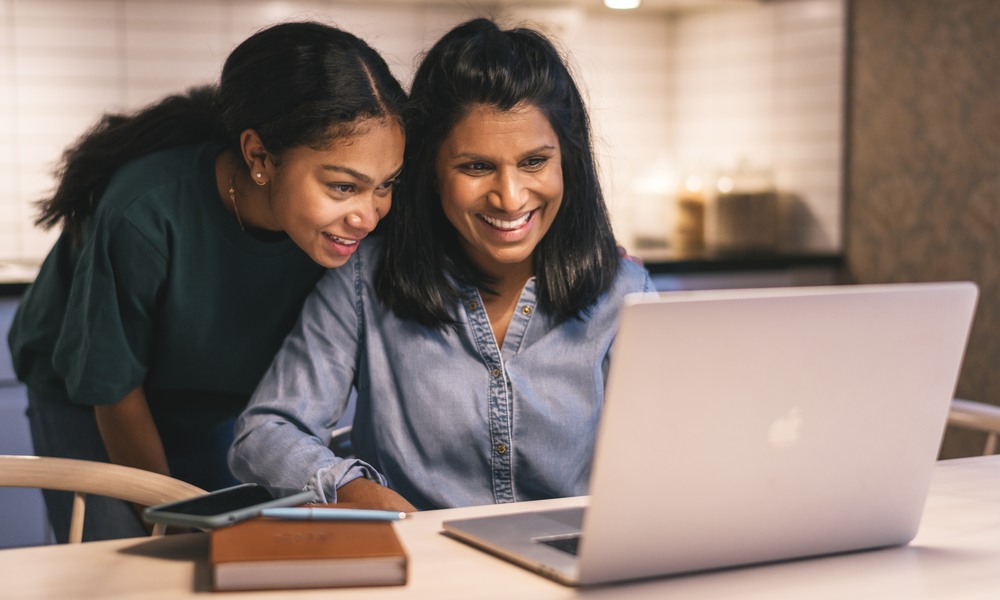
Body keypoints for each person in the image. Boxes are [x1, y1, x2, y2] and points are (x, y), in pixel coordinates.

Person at [229, 18, 652, 512]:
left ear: (568, 162)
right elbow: (265, 433)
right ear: (428, 170)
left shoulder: (625, 291)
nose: (510, 197)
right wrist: (351, 488)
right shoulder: (365, 280)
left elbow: (668, 455)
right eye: (476, 166)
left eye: (535, 162)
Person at [6, 21, 406, 541]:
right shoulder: (145, 212)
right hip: (92, 396)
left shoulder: (342, 230)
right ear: (260, 157)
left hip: (215, 401)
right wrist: (171, 523)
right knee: (124, 560)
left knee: (223, 554)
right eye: (342, 186)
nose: (367, 216)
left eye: (385, 186)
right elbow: (115, 391)